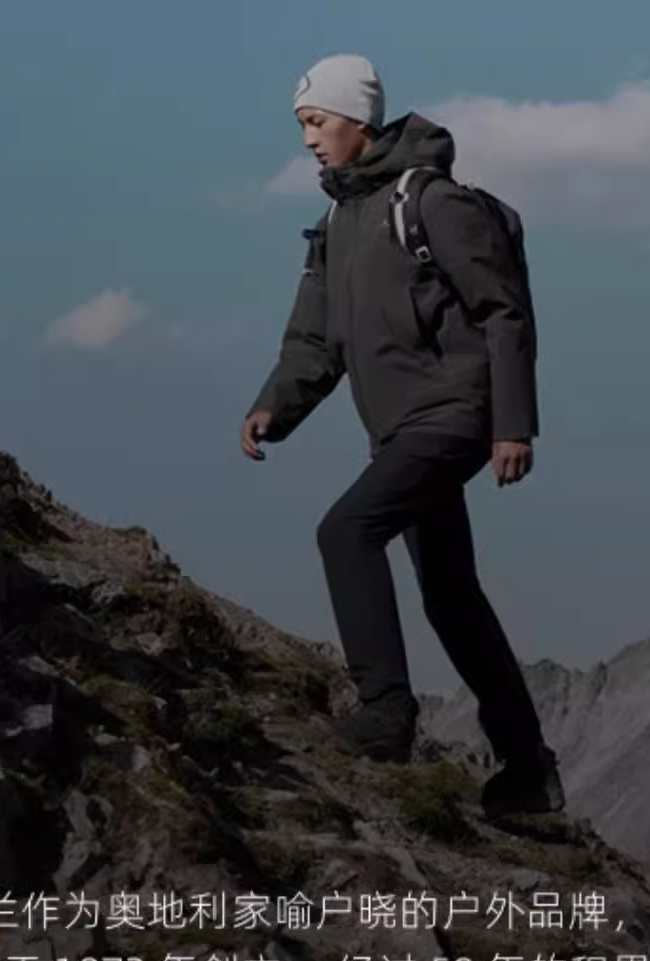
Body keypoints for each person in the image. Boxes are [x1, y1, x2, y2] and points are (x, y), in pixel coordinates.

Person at [241, 53, 564, 820]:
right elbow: (314, 340)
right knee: (451, 596)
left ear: (357, 120)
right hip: (397, 431)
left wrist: (512, 425)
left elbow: (503, 311)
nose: (308, 139)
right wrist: (273, 407)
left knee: (346, 531)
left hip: (455, 414)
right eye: (302, 126)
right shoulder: (336, 222)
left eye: (317, 122)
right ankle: (528, 771)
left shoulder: (429, 201)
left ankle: (386, 712)